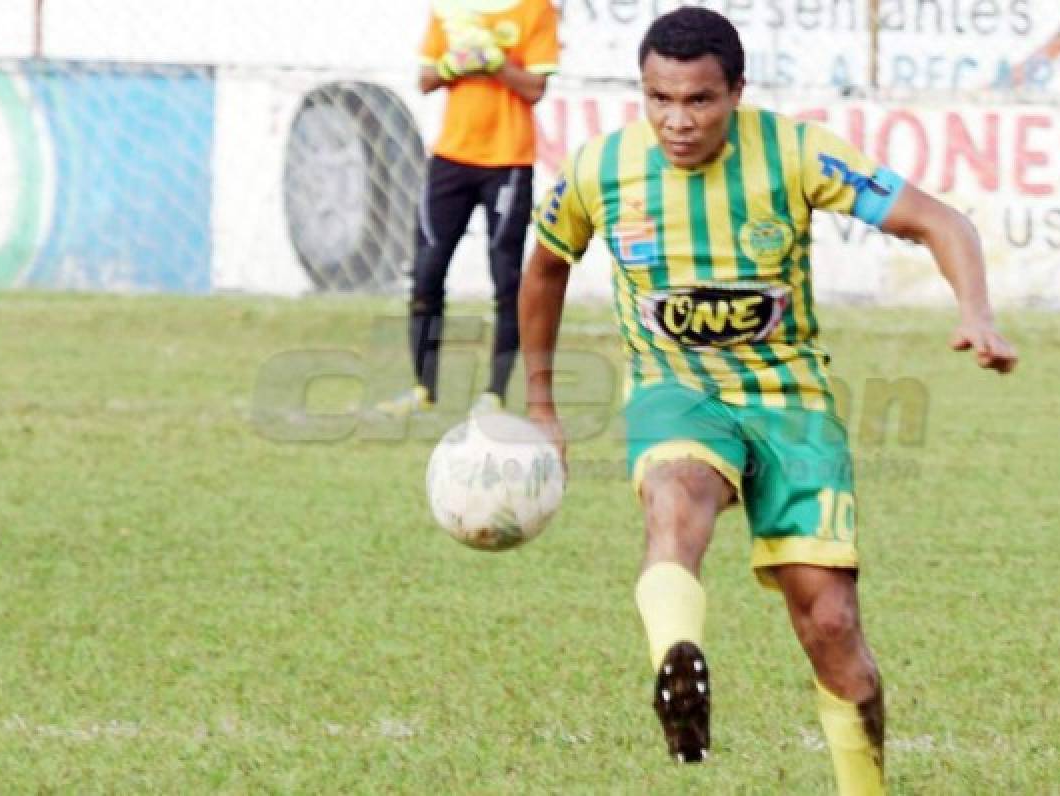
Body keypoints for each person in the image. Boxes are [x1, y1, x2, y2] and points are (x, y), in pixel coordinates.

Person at [518, 7, 1017, 793]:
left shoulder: (795, 151)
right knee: (675, 503)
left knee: (831, 626)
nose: (677, 121)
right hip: (675, 391)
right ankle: (676, 665)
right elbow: (544, 268)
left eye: (699, 101)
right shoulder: (598, 169)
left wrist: (976, 312)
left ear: (737, 92)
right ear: (641, 92)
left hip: (792, 403)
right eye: (659, 99)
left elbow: (940, 220)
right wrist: (542, 405)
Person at [381, 0, 559, 417]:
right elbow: (425, 79)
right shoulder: (451, 8)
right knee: (427, 271)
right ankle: (424, 388)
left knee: (506, 277)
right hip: (451, 160)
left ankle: (494, 393)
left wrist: (495, 64)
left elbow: (534, 88)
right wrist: (452, 65)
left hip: (508, 162)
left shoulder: (536, 10)